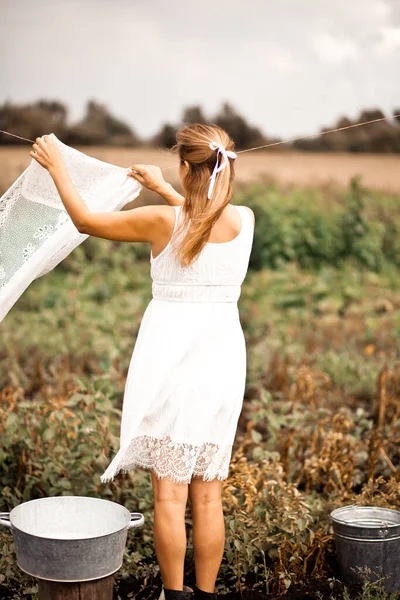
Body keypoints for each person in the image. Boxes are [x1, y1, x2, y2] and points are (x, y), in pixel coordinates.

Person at [29, 124, 255, 600]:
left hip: (174, 364)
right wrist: (165, 189)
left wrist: (57, 168)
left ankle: (175, 596)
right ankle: (206, 595)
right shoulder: (245, 220)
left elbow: (88, 221)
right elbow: (201, 220)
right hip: (223, 366)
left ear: (184, 166)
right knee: (209, 496)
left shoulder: (161, 222)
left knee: (169, 497)